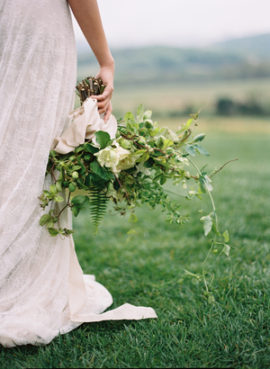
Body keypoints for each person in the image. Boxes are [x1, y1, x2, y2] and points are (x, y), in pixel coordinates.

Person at [0, 0, 157, 348]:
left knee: (10, 146)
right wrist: (106, 61)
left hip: (10, 24)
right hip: (38, 31)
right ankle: (16, 280)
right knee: (32, 153)